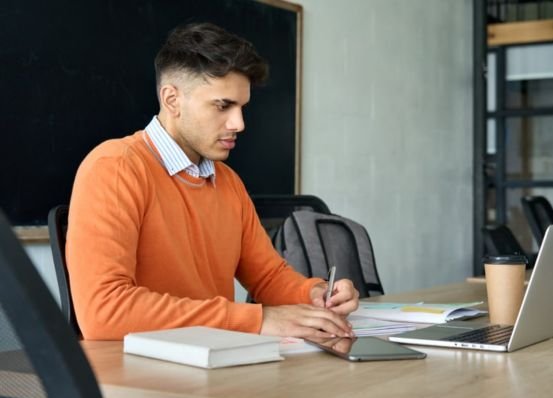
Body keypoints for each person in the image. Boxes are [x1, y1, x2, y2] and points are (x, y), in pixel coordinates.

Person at [66, 22, 359, 340]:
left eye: (242, 108)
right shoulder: (115, 168)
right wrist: (255, 320)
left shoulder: (228, 182)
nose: (239, 123)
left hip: (213, 361)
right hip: (134, 374)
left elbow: (267, 277)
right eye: (223, 106)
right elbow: (103, 311)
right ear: (172, 99)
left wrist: (314, 293)